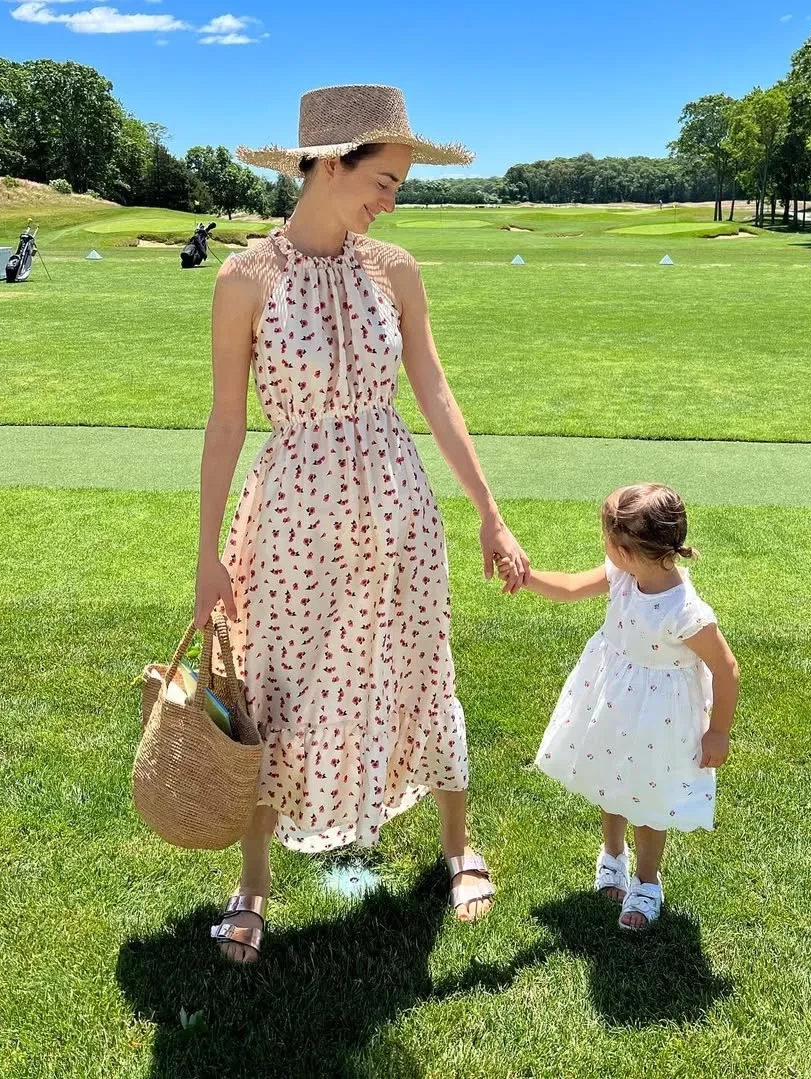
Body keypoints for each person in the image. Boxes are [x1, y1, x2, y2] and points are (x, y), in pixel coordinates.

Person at [194, 84, 530, 962]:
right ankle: (253, 883)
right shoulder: (244, 279)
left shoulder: (396, 270)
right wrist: (206, 554)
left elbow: (435, 391)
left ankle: (458, 845)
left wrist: (489, 512)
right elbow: (226, 420)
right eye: (384, 181)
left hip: (396, 506)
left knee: (420, 661)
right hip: (292, 518)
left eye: (400, 186)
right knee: (272, 687)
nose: (392, 201)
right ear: (329, 166)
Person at [499, 483, 739, 930]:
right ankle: (612, 854)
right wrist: (526, 577)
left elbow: (726, 669)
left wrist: (719, 731)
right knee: (609, 774)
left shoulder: (686, 612)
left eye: (606, 537)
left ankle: (647, 881)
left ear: (628, 550)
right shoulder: (623, 574)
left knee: (647, 795)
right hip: (613, 698)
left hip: (659, 718)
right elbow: (572, 587)